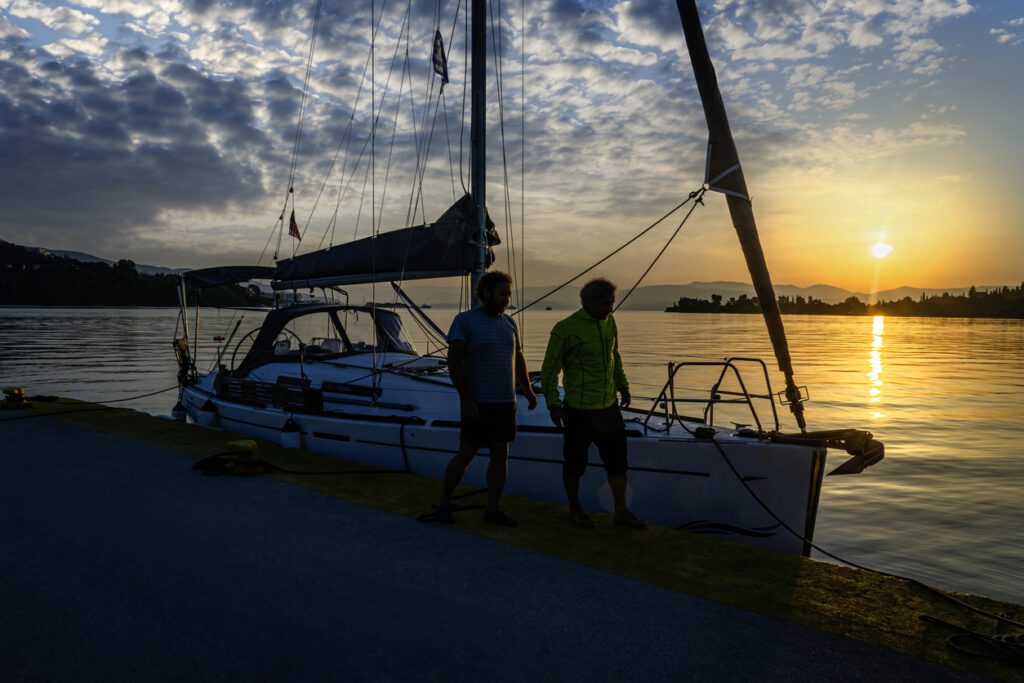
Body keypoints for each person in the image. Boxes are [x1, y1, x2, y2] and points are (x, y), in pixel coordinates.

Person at [540, 278, 646, 529]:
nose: (609, 309)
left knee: (618, 463)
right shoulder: (565, 329)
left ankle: (621, 511)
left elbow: (614, 355)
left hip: (608, 408)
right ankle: (575, 509)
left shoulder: (609, 322)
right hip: (578, 410)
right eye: (603, 304)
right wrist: (554, 404)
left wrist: (623, 385)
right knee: (575, 464)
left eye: (611, 303)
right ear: (586, 302)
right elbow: (549, 371)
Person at [437, 271, 537, 526]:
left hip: (505, 402)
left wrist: (527, 388)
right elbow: (454, 360)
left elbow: (519, 358)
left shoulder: (510, 324)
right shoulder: (465, 321)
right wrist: (465, 398)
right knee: (466, 454)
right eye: (503, 293)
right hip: (478, 403)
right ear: (485, 294)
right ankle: (445, 502)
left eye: (508, 294)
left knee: (500, 455)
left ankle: (492, 509)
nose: (507, 299)